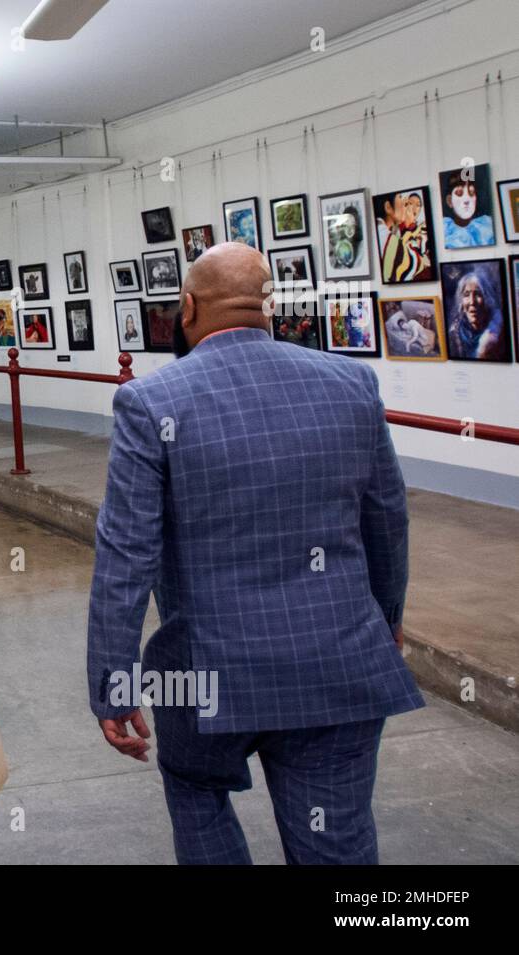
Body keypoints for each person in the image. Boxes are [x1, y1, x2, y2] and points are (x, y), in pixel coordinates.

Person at [87, 242, 423, 865]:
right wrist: (386, 617)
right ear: (267, 306)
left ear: (187, 307)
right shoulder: (352, 383)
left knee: (195, 789)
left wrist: (113, 678)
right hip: (338, 660)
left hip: (204, 670)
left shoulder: (152, 402)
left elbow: (126, 552)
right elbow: (387, 518)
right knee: (335, 842)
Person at [446, 270, 506, 360]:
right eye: (466, 295)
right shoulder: (454, 335)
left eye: (478, 294)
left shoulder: (499, 332)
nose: (472, 302)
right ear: (461, 301)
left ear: (487, 298)